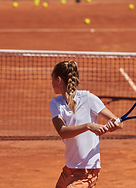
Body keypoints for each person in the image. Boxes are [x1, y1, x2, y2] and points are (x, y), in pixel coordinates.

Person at [50, 60, 122, 188]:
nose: (51, 83)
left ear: (59, 80)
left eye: (53, 79)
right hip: (69, 168)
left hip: (88, 169)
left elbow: (117, 122)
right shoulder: (55, 103)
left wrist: (113, 124)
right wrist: (88, 126)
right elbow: (62, 131)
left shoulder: (88, 98)